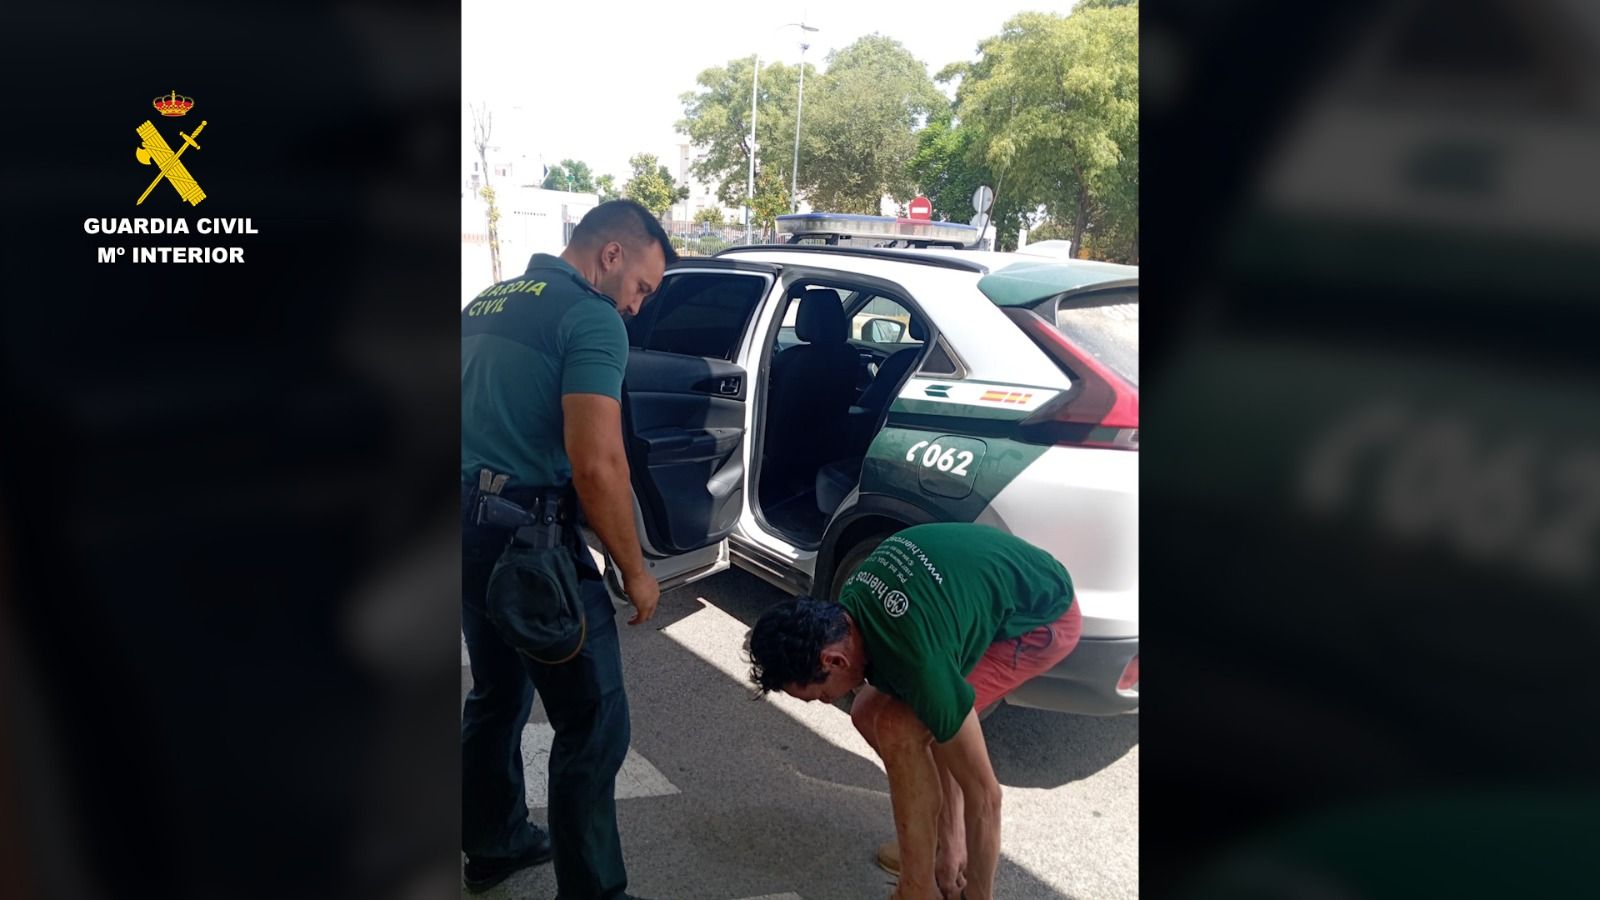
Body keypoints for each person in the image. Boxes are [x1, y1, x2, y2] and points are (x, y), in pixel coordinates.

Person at [460, 199, 676, 897]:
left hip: (464, 531)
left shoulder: (485, 303)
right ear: (612, 254)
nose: (638, 308)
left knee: (497, 695)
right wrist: (636, 569)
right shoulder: (590, 318)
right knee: (593, 720)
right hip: (532, 547)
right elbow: (598, 465)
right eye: (643, 287)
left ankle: (494, 844)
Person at [746, 523, 1083, 900]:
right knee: (865, 710)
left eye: (820, 695)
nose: (827, 702)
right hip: (980, 596)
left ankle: (918, 888)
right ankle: (943, 847)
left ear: (835, 659)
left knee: (902, 725)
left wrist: (978, 894)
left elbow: (986, 797)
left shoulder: (919, 658)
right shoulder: (851, 610)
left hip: (1040, 621)